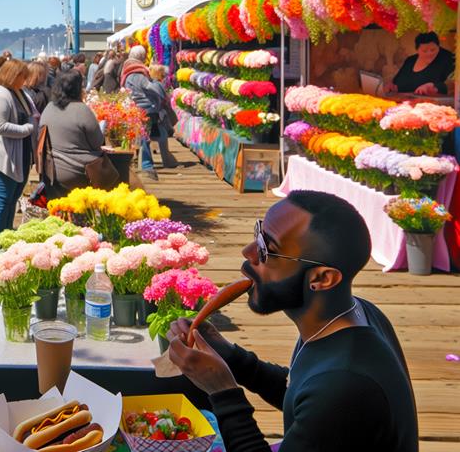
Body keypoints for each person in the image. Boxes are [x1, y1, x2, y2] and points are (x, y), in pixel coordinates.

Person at [166, 191, 418, 452]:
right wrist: (232, 358)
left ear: (322, 279)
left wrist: (223, 391)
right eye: (258, 235)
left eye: (267, 250)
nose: (248, 253)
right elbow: (302, 392)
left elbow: (326, 397)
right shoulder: (353, 315)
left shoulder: (344, 383)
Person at [0, 58, 38, 247]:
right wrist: (27, 129)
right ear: (13, 75)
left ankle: (6, 236)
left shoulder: (17, 92)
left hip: (19, 153)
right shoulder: (0, 95)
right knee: (3, 198)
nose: (26, 80)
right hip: (5, 154)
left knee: (12, 198)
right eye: (23, 76)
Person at [39, 70, 105, 198]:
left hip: (51, 171)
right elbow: (97, 142)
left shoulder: (49, 108)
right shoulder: (82, 110)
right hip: (82, 172)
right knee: (119, 172)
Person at [119, 45, 164, 181]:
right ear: (141, 57)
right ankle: (147, 165)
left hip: (132, 107)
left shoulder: (126, 70)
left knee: (138, 136)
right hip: (145, 107)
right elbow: (149, 88)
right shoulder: (138, 73)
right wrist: (157, 83)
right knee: (145, 137)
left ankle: (137, 162)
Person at [386, 32, 456, 95]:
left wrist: (435, 87)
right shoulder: (410, 61)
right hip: (407, 103)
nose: (429, 53)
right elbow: (397, 84)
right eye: (424, 51)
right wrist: (393, 87)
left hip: (437, 105)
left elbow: (454, 83)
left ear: (438, 47)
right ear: (417, 50)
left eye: (433, 50)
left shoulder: (448, 58)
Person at [148, 64, 179, 168]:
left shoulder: (151, 83)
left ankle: (166, 160)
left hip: (152, 114)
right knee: (162, 136)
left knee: (159, 136)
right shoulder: (158, 85)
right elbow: (163, 100)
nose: (165, 76)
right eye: (163, 74)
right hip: (158, 115)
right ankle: (168, 161)